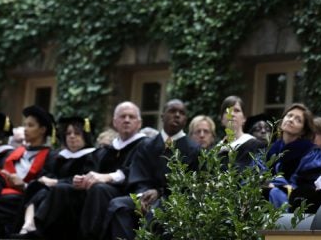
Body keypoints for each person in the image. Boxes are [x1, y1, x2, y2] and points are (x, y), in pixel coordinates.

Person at [39, 101, 145, 240]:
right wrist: (83, 179)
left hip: (128, 192)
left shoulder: (146, 145)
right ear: (115, 122)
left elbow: (139, 171)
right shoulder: (106, 149)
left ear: (139, 123)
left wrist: (108, 177)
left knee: (99, 188)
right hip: (99, 190)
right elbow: (91, 170)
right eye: (122, 116)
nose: (126, 120)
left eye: (131, 117)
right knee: (62, 189)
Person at [107, 99, 200, 240]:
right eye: (172, 111)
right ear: (162, 116)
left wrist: (160, 192)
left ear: (186, 120)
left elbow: (192, 185)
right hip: (145, 196)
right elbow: (138, 174)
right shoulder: (146, 145)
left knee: (156, 211)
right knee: (118, 205)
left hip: (173, 200)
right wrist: (143, 194)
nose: (177, 115)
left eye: (181, 113)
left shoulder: (193, 149)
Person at [0, 105, 55, 238]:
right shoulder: (18, 152)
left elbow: (43, 185)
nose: (25, 129)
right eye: (25, 124)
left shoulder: (51, 156)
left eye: (30, 125)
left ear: (43, 130)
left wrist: (23, 185)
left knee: (2, 200)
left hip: (26, 197)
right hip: (6, 189)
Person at [19, 117, 97, 238]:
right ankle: (28, 223)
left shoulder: (92, 156)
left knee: (57, 189)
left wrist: (56, 182)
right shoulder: (58, 156)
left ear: (85, 136)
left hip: (76, 197)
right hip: (53, 192)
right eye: (68, 133)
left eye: (77, 133)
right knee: (36, 185)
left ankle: (36, 228)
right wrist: (44, 179)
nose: (72, 136)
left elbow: (85, 178)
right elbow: (46, 173)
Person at [265, 103, 321, 211]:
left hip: (295, 201)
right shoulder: (271, 149)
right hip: (267, 193)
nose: (291, 120)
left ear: (303, 130)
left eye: (298, 120)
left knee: (276, 193)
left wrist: (278, 185)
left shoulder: (311, 151)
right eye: (289, 116)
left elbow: (305, 184)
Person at [217, 95, 265, 168]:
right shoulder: (215, 151)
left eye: (236, 110)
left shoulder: (255, 146)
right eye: (227, 111)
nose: (232, 114)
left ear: (244, 118)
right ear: (221, 119)